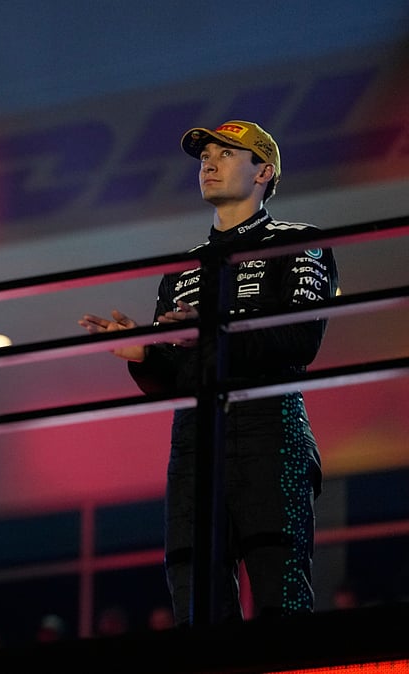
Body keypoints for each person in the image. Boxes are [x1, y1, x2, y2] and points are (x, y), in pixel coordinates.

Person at [79, 120, 339, 624]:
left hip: (271, 429)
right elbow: (176, 379)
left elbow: (300, 342)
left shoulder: (300, 242)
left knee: (281, 600)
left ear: (264, 171)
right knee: (194, 598)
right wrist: (145, 356)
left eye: (226, 155)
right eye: (204, 158)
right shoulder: (181, 270)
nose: (209, 164)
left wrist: (215, 332)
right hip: (196, 441)